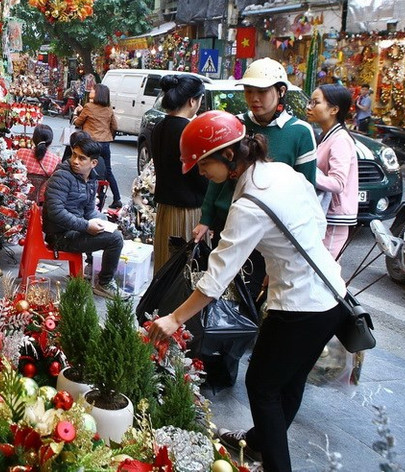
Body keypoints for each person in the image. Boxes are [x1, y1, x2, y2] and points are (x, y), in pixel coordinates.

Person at [148, 110, 348, 472]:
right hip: (331, 295)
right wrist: (283, 259)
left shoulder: (248, 205)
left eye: (203, 164)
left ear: (227, 155)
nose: (201, 173)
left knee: (262, 386)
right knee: (289, 380)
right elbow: (314, 223)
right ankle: (258, 441)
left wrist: (175, 318)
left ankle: (275, 464)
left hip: (300, 306)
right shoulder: (279, 172)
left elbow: (217, 275)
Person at [193, 57, 317, 242]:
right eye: (248, 91)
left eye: (262, 91)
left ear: (281, 91)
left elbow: (306, 190)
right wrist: (206, 219)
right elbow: (216, 176)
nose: (254, 98)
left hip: (272, 232)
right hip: (228, 223)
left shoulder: (301, 132)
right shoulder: (235, 124)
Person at [43, 136, 124, 297]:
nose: (75, 161)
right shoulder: (61, 177)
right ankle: (104, 283)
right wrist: (87, 226)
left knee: (111, 229)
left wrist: (103, 221)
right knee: (115, 239)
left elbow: (88, 212)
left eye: (82, 158)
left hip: (75, 229)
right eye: (74, 155)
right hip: (60, 236)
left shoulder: (91, 179)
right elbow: (55, 212)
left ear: (93, 163)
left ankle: (91, 269)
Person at [151, 75, 208, 273]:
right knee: (184, 274)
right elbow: (201, 178)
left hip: (165, 211)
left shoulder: (158, 127)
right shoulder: (191, 131)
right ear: (192, 101)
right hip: (189, 213)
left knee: (164, 270)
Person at [307, 84, 358, 259]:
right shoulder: (327, 136)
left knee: (324, 272)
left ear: (334, 109)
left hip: (334, 216)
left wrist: (305, 172)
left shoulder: (340, 140)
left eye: (315, 103)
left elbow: (337, 183)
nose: (309, 107)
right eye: (310, 102)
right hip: (324, 213)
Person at [73, 83, 122, 209]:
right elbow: (115, 126)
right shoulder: (109, 108)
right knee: (108, 171)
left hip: (91, 143)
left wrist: (76, 113)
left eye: (93, 90)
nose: (91, 91)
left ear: (98, 93)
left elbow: (78, 123)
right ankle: (117, 198)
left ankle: (91, 199)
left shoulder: (89, 107)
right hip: (105, 143)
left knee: (88, 170)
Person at [16, 124, 59, 201]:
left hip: (18, 197)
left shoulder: (20, 153)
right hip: (40, 202)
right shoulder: (56, 160)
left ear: (33, 139)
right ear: (50, 142)